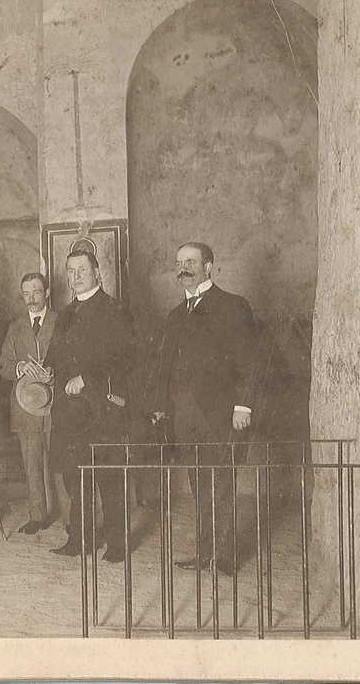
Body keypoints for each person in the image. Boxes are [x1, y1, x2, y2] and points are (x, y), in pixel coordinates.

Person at [149, 242, 260, 575]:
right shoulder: (174, 314)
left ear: (209, 266)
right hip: (184, 415)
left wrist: (244, 405)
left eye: (192, 261)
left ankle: (223, 559)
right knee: (199, 486)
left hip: (221, 413)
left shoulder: (233, 306)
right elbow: (164, 367)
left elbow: (248, 361)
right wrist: (160, 408)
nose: (184, 267)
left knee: (222, 484)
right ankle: (203, 553)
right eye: (180, 262)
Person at [45, 250, 136, 561]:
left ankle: (117, 545)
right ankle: (80, 540)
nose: (76, 275)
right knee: (75, 476)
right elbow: (55, 357)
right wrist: (46, 371)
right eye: (71, 271)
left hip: (103, 406)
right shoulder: (65, 313)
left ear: (98, 273)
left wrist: (86, 377)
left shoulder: (114, 309)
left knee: (109, 478)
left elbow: (126, 357)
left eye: (82, 269)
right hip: (70, 410)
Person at [0, 272, 61, 535]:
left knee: (59, 463)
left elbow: (74, 358)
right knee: (32, 463)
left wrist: (55, 370)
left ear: (46, 293)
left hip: (57, 405)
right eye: (26, 293)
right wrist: (20, 366)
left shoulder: (61, 321)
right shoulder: (15, 327)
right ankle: (38, 516)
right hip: (25, 406)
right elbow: (3, 366)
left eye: (36, 291)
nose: (31, 298)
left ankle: (69, 518)